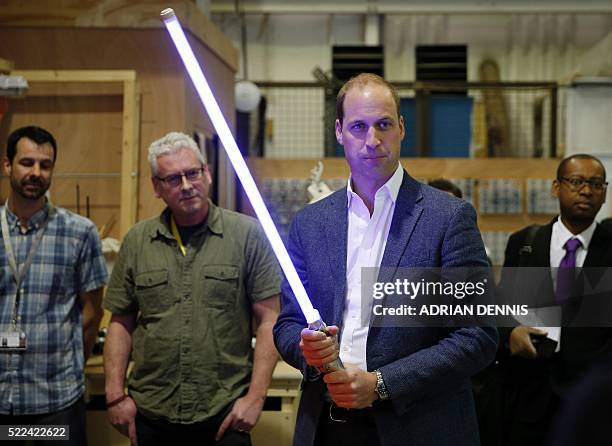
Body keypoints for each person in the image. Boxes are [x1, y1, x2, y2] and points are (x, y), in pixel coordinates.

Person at [273, 73, 498, 446]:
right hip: (327, 427)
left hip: (419, 426)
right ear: (339, 131)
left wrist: (381, 384)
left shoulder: (448, 218)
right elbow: (288, 322)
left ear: (401, 128)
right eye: (359, 126)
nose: (372, 140)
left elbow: (477, 335)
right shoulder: (310, 223)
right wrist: (305, 348)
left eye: (383, 125)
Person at [103, 132, 281, 446]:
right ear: (156, 187)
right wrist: (115, 396)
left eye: (192, 173)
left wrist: (256, 397)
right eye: (172, 178)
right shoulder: (137, 241)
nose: (186, 185)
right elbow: (121, 322)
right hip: (153, 414)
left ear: (207, 173)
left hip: (225, 414)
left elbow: (270, 320)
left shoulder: (246, 235)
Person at [0, 125, 107, 444]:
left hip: (56, 402)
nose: (36, 172)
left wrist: (70, 364)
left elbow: (92, 313)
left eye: (45, 165)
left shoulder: (80, 233)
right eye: (27, 162)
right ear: (7, 165)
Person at [496, 154, 612, 446]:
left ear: (605, 192)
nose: (586, 191)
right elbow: (505, 309)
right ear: (556, 188)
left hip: (593, 403)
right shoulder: (525, 243)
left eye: (595, 184)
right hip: (530, 395)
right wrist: (510, 332)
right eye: (576, 182)